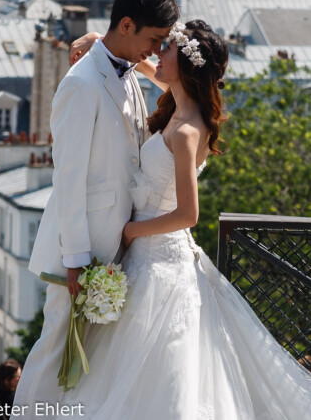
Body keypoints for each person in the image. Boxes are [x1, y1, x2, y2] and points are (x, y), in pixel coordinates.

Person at [55, 20, 311, 419]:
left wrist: (132, 229)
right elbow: (147, 69)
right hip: (146, 257)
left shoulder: (189, 131)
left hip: (159, 261)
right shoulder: (180, 105)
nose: (157, 53)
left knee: (157, 374)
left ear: (189, 65)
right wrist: (98, 43)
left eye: (168, 48)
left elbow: (188, 214)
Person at [10, 0, 179, 419]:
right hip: (83, 249)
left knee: (88, 358)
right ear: (127, 25)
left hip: (119, 245)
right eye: (153, 40)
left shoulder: (128, 73)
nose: (156, 52)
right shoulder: (81, 83)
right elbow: (67, 178)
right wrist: (76, 258)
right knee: (53, 348)